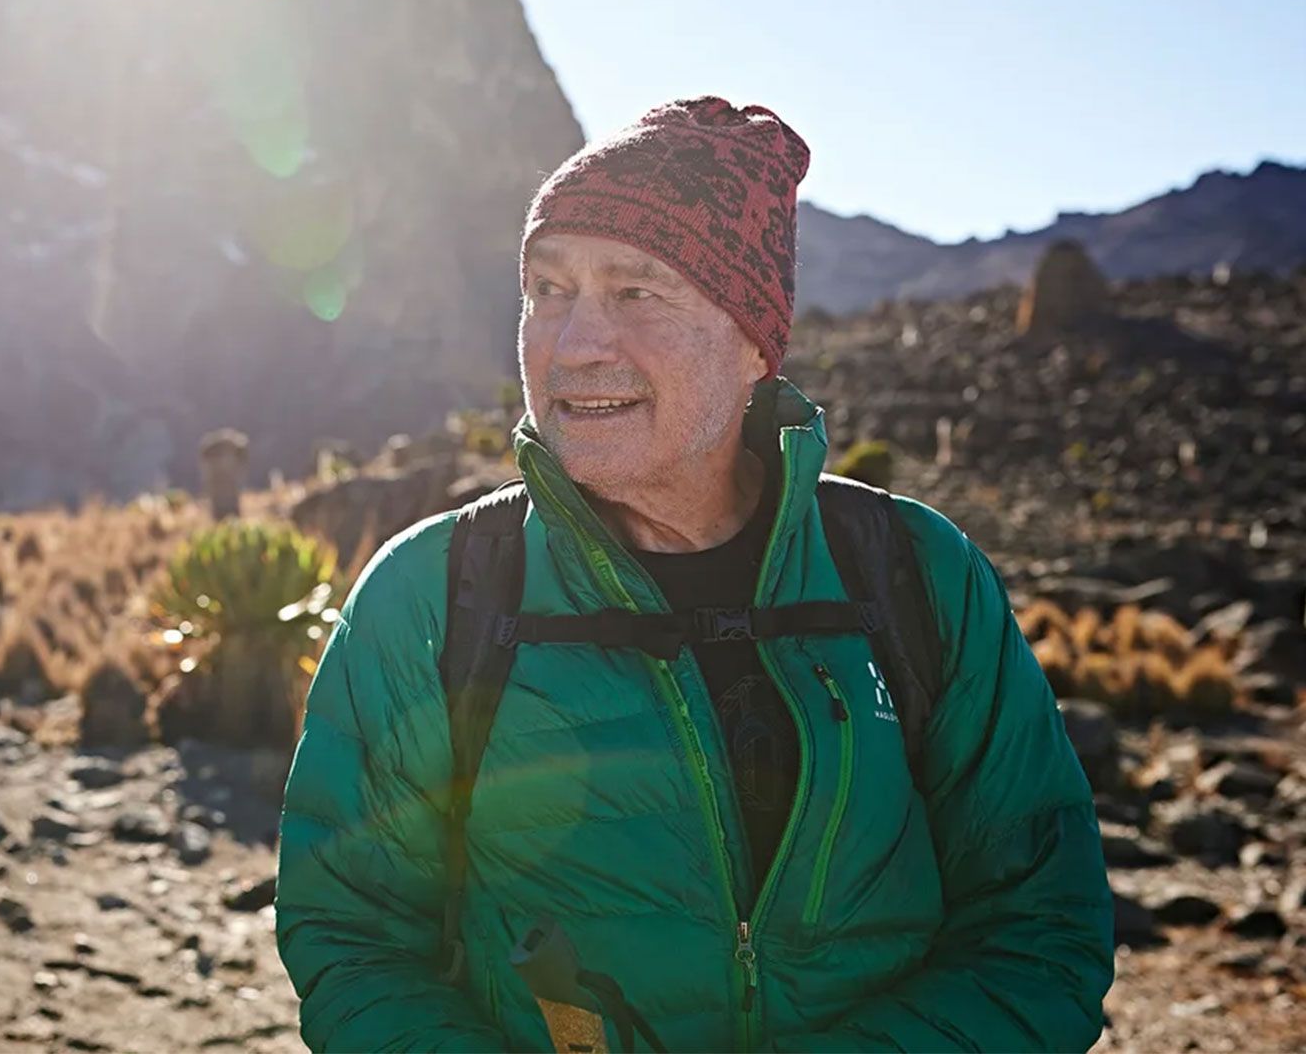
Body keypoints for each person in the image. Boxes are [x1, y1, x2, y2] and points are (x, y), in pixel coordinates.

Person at [275, 96, 1113, 1052]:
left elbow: (1041, 933)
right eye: (547, 290)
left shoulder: (915, 574)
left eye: (637, 293)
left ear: (755, 341)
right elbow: (351, 936)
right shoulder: (435, 594)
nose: (575, 343)